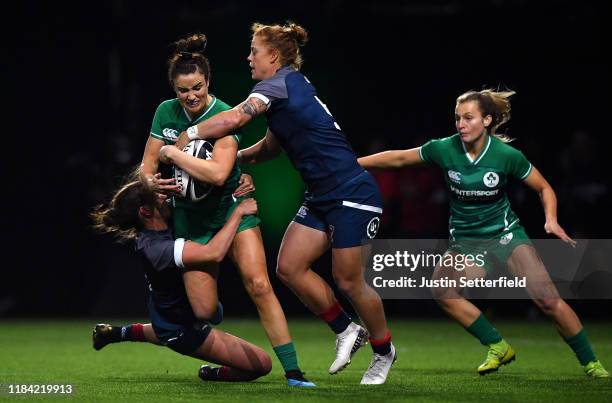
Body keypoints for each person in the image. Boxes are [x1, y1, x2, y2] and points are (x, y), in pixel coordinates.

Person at [174, 22, 396, 385]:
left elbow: (235, 118)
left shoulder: (275, 85)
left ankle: (384, 349)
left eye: (254, 51)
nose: (249, 57)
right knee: (290, 267)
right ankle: (346, 331)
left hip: (352, 193)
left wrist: (192, 133)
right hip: (323, 194)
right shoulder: (287, 87)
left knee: (348, 280)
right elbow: (269, 148)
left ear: (273, 56)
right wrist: (231, 165)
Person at [358, 89, 610, 378]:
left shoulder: (505, 155)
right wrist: (354, 164)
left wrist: (550, 219)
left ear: (487, 120)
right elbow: (400, 159)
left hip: (506, 236)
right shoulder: (445, 148)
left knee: (548, 300)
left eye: (468, 118)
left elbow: (544, 188)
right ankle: (497, 345)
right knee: (442, 290)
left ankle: (592, 364)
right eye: (457, 118)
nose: (460, 124)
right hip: (466, 242)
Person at [140, 33, 313, 387]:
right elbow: (145, 165)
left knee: (259, 284)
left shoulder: (223, 115)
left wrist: (172, 154)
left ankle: (294, 373)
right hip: (190, 219)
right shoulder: (164, 113)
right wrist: (150, 182)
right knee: (205, 312)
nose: (191, 96)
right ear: (174, 89)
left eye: (197, 88)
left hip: (233, 207)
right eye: (183, 90)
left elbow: (219, 175)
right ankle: (203, 349)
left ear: (208, 82)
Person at [91, 178, 272, 382]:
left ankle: (115, 333)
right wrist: (238, 213)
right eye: (157, 196)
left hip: (168, 314)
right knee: (262, 364)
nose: (164, 196)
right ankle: (212, 373)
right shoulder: (156, 249)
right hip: (182, 329)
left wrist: (236, 185)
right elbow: (213, 253)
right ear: (145, 212)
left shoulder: (162, 221)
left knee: (170, 324)